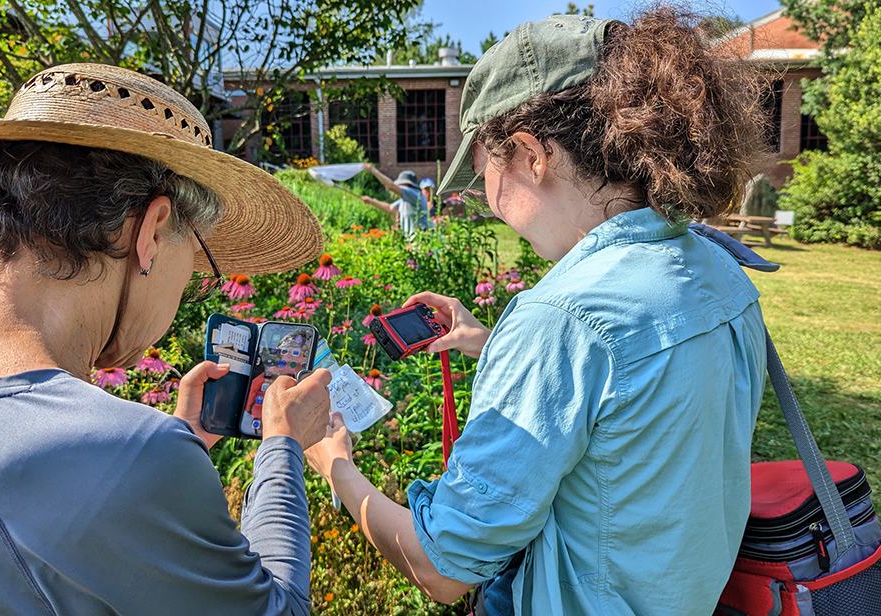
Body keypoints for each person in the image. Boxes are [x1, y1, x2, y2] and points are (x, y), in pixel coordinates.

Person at [307, 10, 770, 615]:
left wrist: (335, 466)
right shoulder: (718, 268)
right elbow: (630, 411)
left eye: (484, 175)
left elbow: (444, 566)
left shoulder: (563, 320)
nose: (491, 202)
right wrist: (490, 341)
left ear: (529, 155)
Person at [0, 63, 332, 615]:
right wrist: (282, 446)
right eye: (195, 263)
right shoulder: (127, 455)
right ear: (153, 230)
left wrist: (165, 450)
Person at [359, 164, 430, 238]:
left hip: (421, 241)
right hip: (412, 241)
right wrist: (371, 201)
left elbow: (391, 186)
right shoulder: (406, 199)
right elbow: (390, 208)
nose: (398, 188)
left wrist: (373, 170)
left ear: (406, 185)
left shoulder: (413, 194)